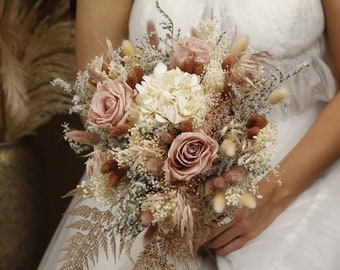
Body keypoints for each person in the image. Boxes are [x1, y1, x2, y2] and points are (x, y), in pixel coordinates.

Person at [38, 0, 340, 269]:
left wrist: (272, 199)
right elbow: (97, 90)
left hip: (301, 166)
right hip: (156, 176)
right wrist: (168, 188)